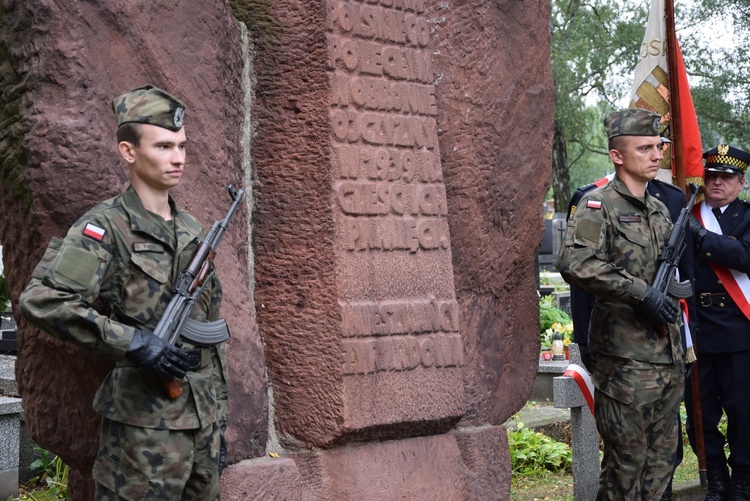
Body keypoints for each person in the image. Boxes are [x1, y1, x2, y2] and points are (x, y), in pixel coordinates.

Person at [18, 85, 228, 500]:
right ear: (129, 152)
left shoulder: (193, 230)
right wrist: (131, 342)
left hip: (202, 428)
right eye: (164, 145)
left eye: (182, 146)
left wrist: (219, 418)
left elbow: (209, 329)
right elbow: (42, 299)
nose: (178, 157)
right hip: (141, 434)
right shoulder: (104, 228)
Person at [558, 108, 684, 500]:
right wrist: (640, 292)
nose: (655, 154)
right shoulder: (599, 205)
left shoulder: (661, 210)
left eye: (658, 146)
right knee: (624, 473)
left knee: (663, 467)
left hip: (667, 360)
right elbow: (575, 263)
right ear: (617, 155)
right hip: (626, 364)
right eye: (644, 148)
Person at [686, 144, 750, 500]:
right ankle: (717, 478)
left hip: (739, 330)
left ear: (741, 182)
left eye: (726, 177)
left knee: (743, 412)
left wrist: (703, 239)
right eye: (711, 176)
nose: (717, 183)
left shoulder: (748, 217)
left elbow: (744, 257)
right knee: (700, 413)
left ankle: (742, 479)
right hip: (696, 328)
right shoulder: (686, 216)